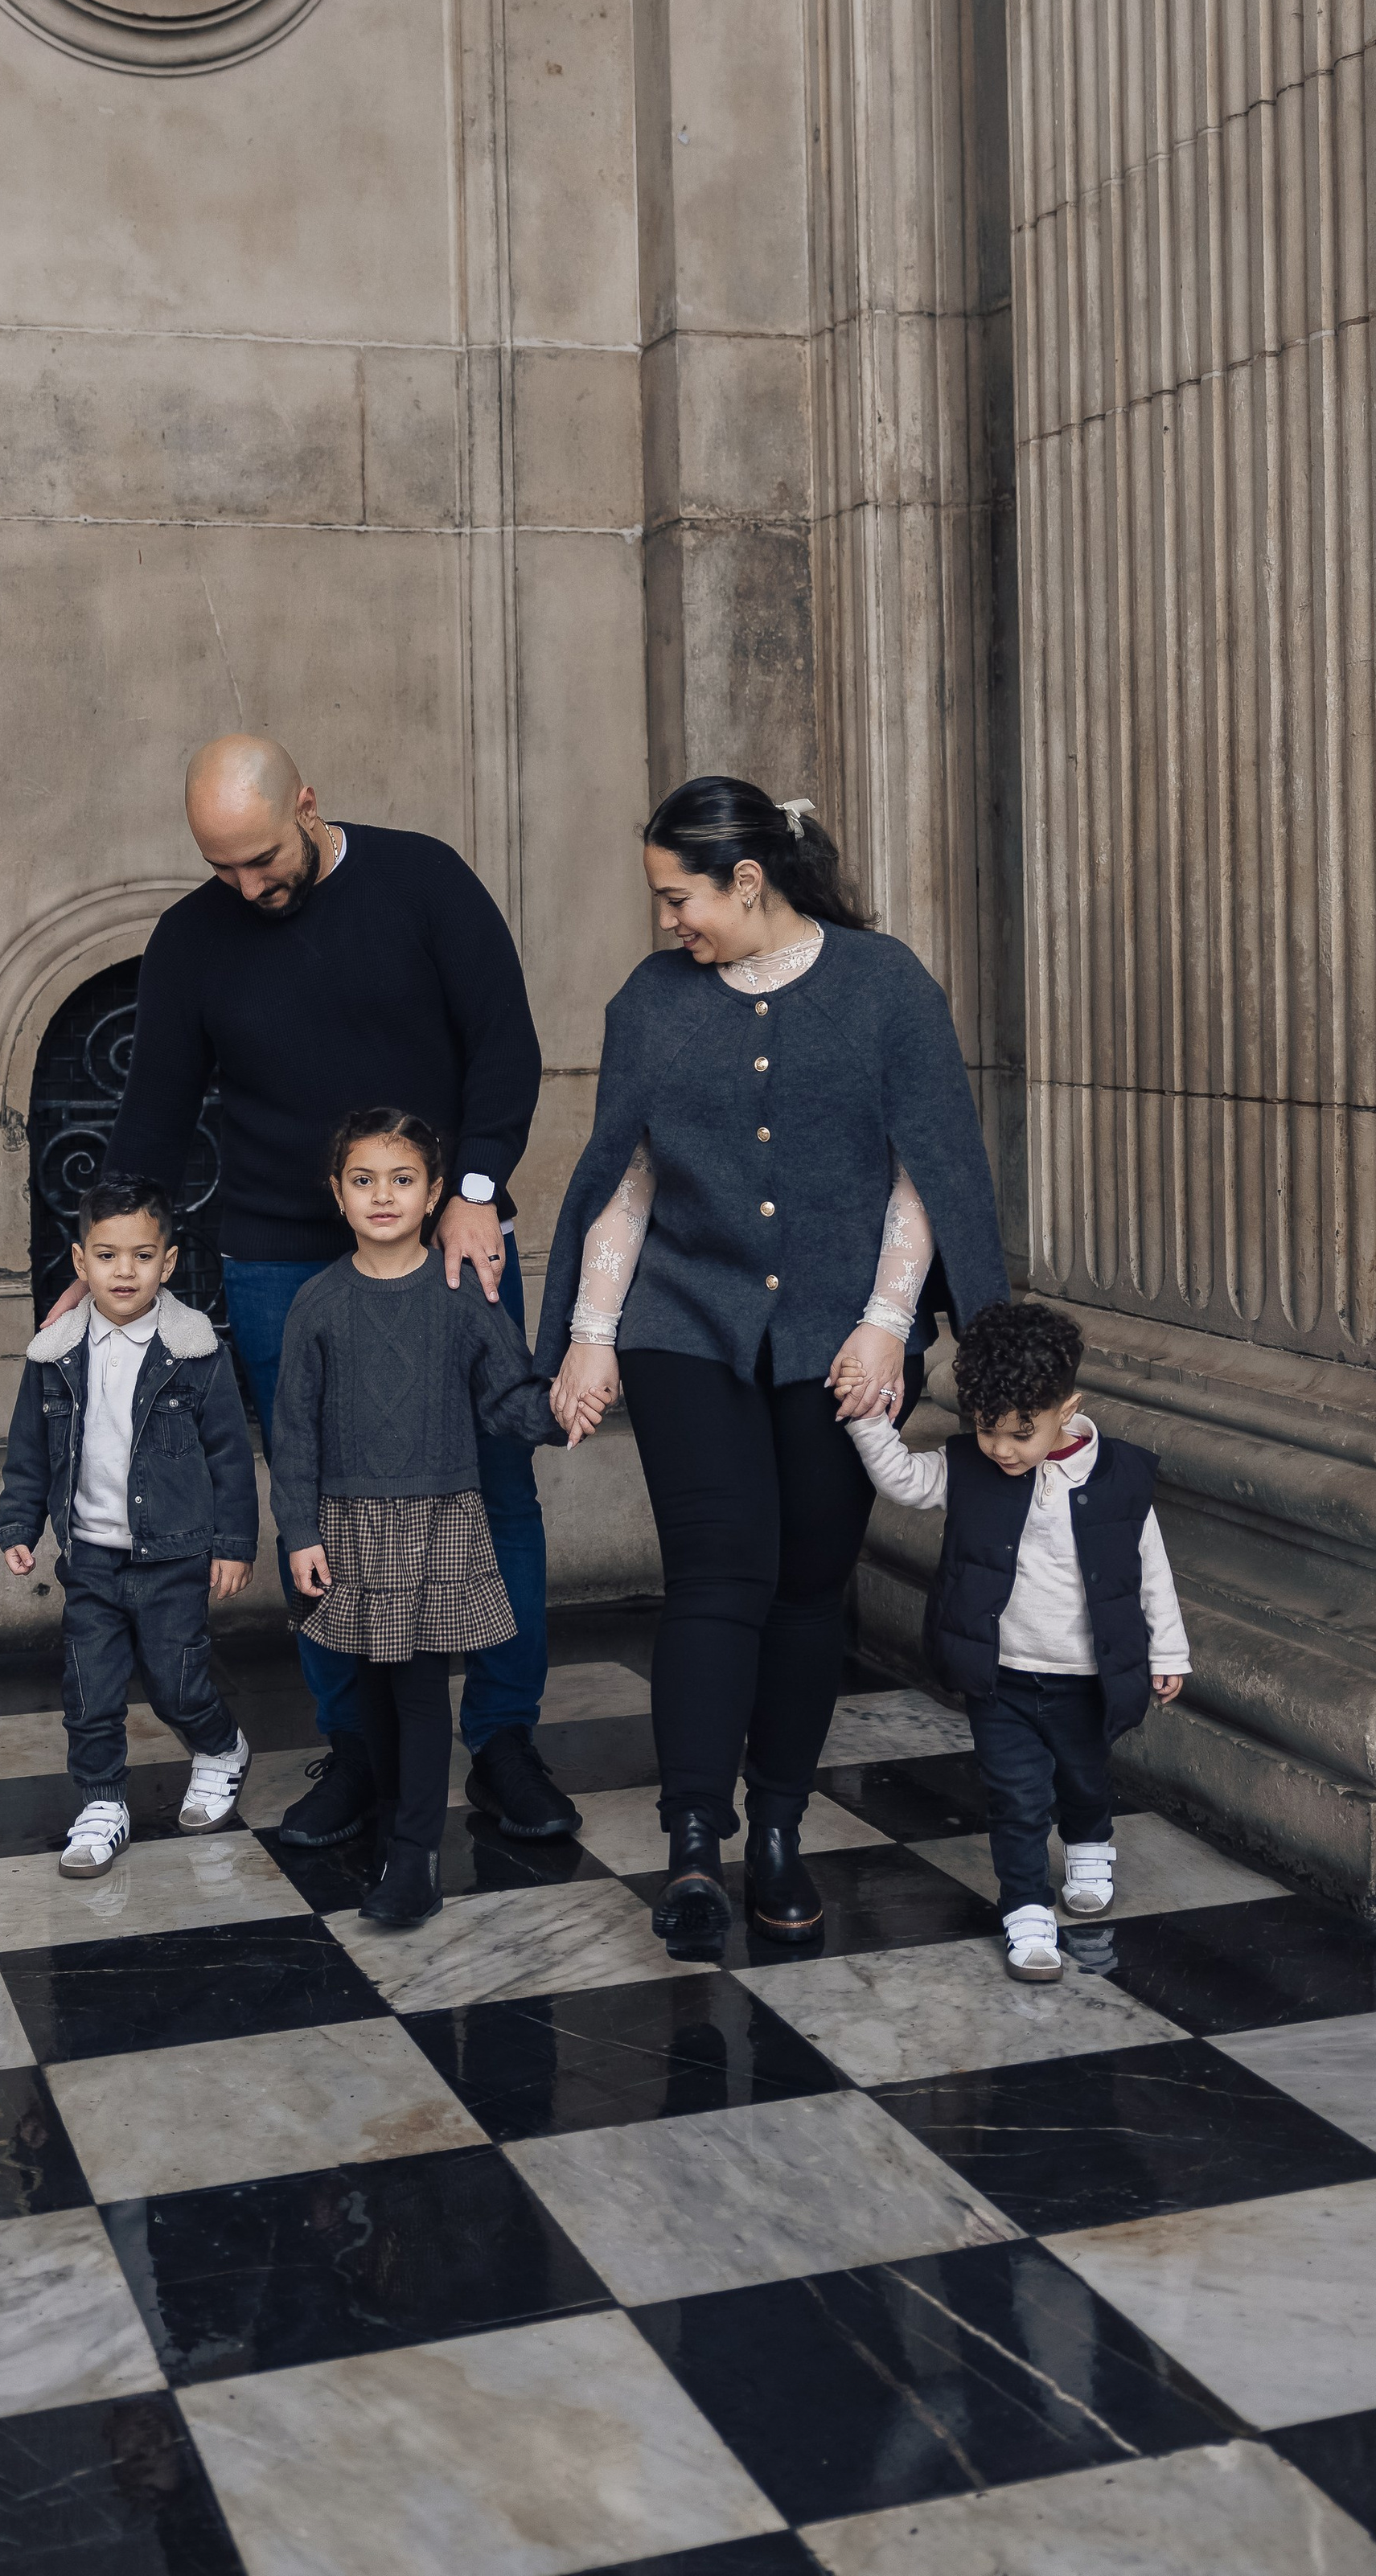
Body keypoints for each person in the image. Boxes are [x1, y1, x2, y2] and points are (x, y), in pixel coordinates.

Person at [543, 775, 1009, 1960]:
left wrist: (887, 1320)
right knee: (716, 1571)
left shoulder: (885, 984)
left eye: (677, 897)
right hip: (682, 1323)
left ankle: (781, 1833)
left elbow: (926, 1165)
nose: (666, 924)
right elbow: (628, 1175)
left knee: (810, 1583)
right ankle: (695, 1844)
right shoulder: (651, 1002)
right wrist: (593, 1337)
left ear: (749, 882)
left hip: (839, 1335)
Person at [99, 732, 578, 1850]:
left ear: (308, 804)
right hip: (280, 1257)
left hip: (447, 1232)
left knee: (495, 1488)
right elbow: (154, 1118)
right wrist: (110, 1259)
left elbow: (505, 1050)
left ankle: (504, 1743)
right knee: (315, 1501)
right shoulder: (192, 940)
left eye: (262, 859)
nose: (247, 887)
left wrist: (471, 1187)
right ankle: (358, 1753)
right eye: (221, 868)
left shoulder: (424, 882)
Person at [273, 1110, 569, 1928]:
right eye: (363, 1180)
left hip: (439, 1520)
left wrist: (563, 1409)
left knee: (420, 1689)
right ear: (336, 1193)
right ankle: (389, 1825)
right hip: (348, 1525)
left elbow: (509, 1399)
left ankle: (417, 1855)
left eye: (402, 1180)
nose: (382, 1196)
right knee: (371, 1691)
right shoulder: (317, 1303)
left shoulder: (463, 1298)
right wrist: (300, 1530)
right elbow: (292, 1430)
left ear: (436, 1194)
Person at [848, 1298, 1189, 1981]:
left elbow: (1148, 1567)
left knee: (1085, 1781)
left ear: (1068, 1407)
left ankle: (1091, 1845)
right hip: (1001, 1675)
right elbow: (907, 1482)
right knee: (1017, 1796)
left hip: (1085, 1675)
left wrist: (1169, 1650)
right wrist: (865, 1421)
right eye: (986, 1429)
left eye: (1019, 1432)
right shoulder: (972, 1469)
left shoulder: (1117, 1479)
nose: (1001, 1448)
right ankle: (1026, 1913)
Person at [0, 1174, 260, 1876]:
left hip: (173, 1554)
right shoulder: (52, 1357)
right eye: (107, 1256)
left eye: (142, 1256)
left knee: (176, 1683)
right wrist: (18, 1525)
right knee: (90, 1688)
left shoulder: (196, 1354)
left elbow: (232, 1458)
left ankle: (219, 1746)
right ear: (80, 1263)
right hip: (89, 1558)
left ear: (167, 1264)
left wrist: (234, 1546)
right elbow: (28, 1453)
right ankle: (103, 1801)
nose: (124, 1271)